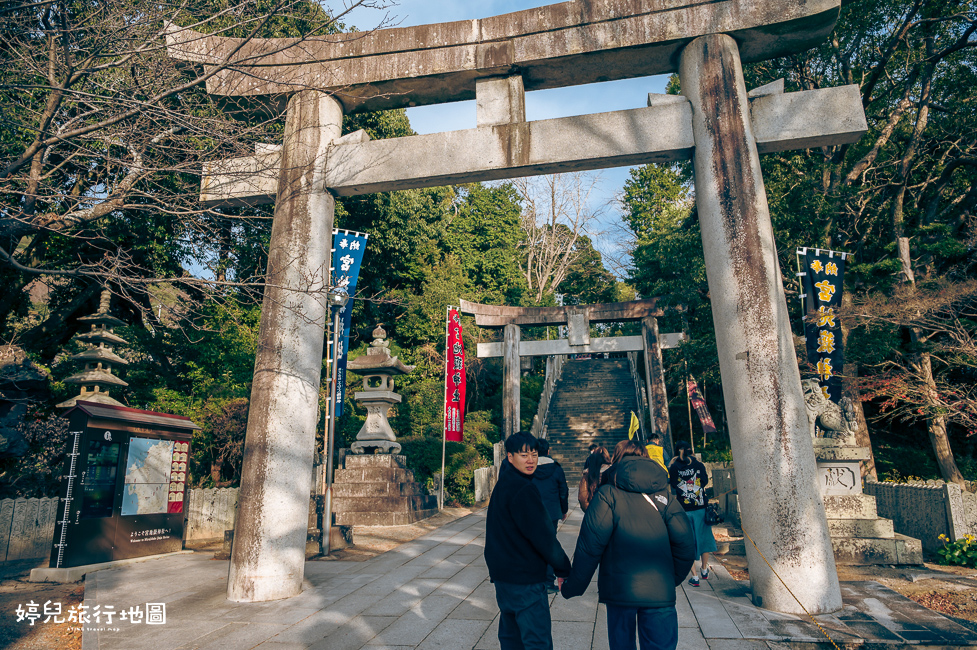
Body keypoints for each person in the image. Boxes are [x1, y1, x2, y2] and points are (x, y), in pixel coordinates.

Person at [561, 440, 695, 650]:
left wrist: (572, 586)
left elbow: (590, 547)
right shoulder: (665, 497)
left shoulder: (607, 495)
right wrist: (670, 578)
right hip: (660, 591)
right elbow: (686, 544)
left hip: (620, 589)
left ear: (616, 459)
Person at [485, 431, 571, 650]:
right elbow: (544, 537)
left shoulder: (504, 483)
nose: (530, 460)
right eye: (523, 455)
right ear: (510, 457)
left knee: (512, 639)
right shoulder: (523, 489)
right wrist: (563, 568)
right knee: (536, 641)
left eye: (533, 453)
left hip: (504, 578)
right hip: (525, 580)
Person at [668, 440, 717, 587]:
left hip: (684, 509)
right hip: (701, 507)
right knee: (704, 539)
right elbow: (704, 482)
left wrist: (671, 465)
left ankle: (694, 577)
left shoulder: (675, 467)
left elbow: (672, 484)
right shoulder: (698, 465)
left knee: (687, 542)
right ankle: (704, 569)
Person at [534, 438, 570, 593]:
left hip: (533, 512)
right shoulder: (556, 469)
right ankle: (548, 582)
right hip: (552, 512)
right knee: (550, 544)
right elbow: (563, 491)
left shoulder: (530, 468)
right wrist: (563, 510)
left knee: (533, 544)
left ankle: (535, 579)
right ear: (548, 451)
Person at [577, 444, 611, 511]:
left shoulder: (587, 475)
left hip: (594, 510)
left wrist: (590, 511)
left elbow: (583, 498)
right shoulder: (614, 472)